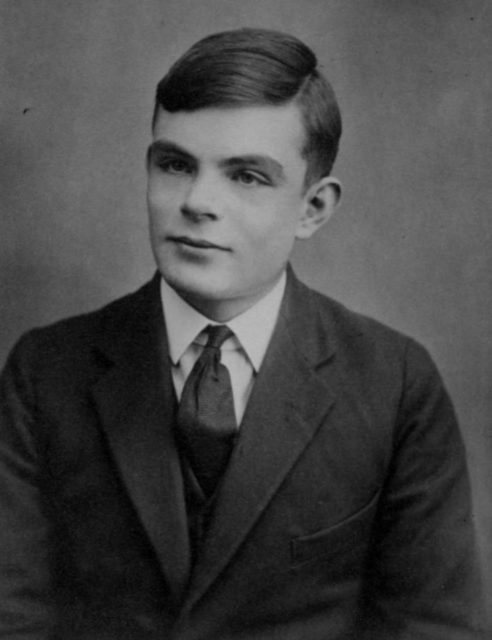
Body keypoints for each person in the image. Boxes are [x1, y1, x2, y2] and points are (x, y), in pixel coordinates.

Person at [0, 28, 483, 640]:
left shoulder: (394, 383)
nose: (199, 201)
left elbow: (434, 627)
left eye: (247, 176)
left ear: (313, 208)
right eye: (175, 165)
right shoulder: (46, 370)